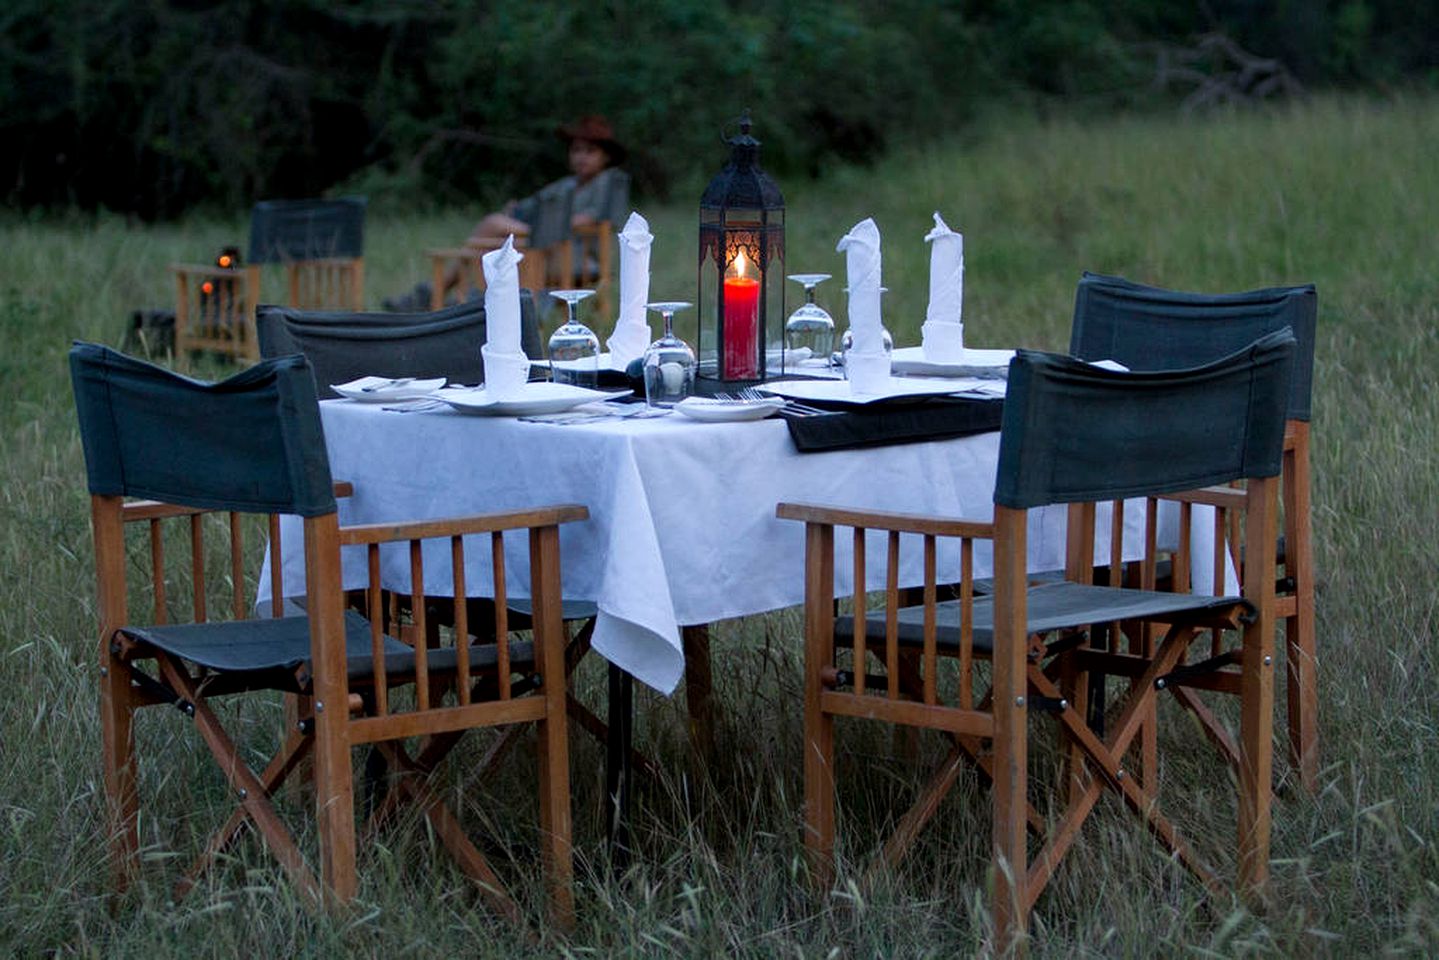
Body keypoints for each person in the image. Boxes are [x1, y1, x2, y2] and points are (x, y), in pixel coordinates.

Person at [385, 115, 628, 311]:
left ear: (605, 156)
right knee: (498, 241)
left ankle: (440, 294)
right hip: (549, 245)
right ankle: (463, 300)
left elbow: (591, 220)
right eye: (576, 151)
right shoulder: (567, 185)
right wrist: (517, 210)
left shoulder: (610, 182)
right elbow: (535, 205)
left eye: (589, 151)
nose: (581, 157)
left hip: (578, 255)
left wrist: (540, 225)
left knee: (495, 227)